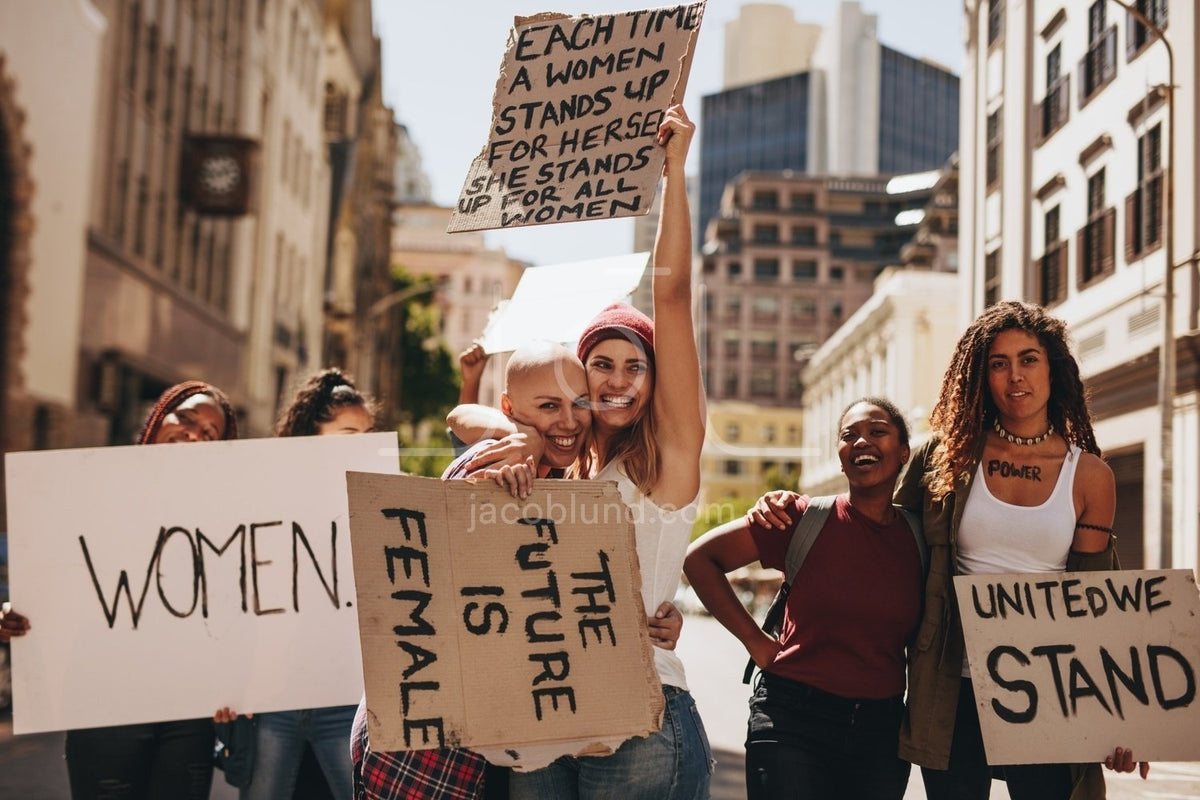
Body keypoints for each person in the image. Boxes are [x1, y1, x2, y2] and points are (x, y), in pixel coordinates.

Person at [459, 104, 711, 800]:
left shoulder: (668, 460)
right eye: (601, 363)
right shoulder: (562, 466)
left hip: (638, 711)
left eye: (637, 366)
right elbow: (467, 417)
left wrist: (675, 170)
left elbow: (673, 295)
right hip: (541, 711)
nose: (619, 380)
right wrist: (522, 437)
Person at [351, 341, 684, 800]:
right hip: (430, 754)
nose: (568, 421)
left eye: (578, 404)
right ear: (510, 408)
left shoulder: (558, 482)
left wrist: (644, 612)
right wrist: (503, 450)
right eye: (549, 406)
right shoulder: (502, 463)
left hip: (488, 746)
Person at [892, 301, 1148, 799]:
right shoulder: (946, 456)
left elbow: (1097, 598)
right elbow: (888, 543)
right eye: (998, 363)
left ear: (1054, 369)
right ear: (981, 376)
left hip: (1049, 690)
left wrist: (1125, 716)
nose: (1015, 376)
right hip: (953, 683)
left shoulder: (1090, 476)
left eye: (1029, 359)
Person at [685, 398, 922, 800]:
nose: (862, 440)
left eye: (877, 431)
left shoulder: (921, 537)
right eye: (849, 436)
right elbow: (699, 560)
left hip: (880, 732)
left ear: (903, 453)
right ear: (841, 458)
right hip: (791, 720)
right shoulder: (798, 517)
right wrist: (755, 642)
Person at [58, 380, 238, 799]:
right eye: (187, 419)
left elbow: (236, 615)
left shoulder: (228, 522)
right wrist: (20, 615)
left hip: (188, 716)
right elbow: (58, 583)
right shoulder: (91, 493)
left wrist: (236, 680)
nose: (193, 433)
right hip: (103, 705)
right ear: (158, 419)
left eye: (209, 434)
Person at [214, 368, 375, 800]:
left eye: (367, 433)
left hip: (346, 698)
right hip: (274, 699)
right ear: (312, 433)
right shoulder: (268, 498)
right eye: (347, 432)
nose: (360, 443)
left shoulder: (373, 504)